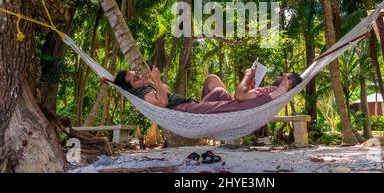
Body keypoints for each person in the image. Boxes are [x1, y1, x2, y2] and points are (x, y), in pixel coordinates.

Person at [114, 65, 302, 114]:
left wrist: (155, 82)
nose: (139, 77)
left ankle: (225, 99)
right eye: (136, 78)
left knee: (216, 85)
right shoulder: (141, 93)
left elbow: (167, 92)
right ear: (131, 87)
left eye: (137, 74)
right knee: (222, 94)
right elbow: (162, 102)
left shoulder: (144, 88)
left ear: (287, 82)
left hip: (188, 106)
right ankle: (226, 102)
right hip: (185, 110)